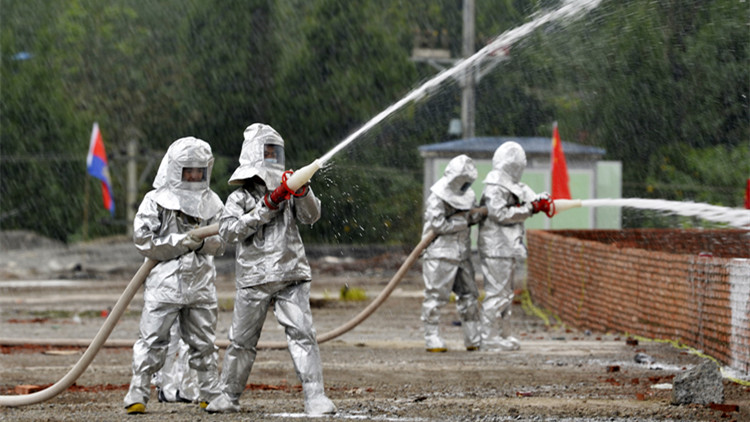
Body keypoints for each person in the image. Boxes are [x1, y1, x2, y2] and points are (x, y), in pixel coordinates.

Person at [206, 123, 336, 415]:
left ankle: (315, 396)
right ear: (254, 154)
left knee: (303, 334)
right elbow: (228, 232)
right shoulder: (239, 198)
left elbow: (311, 216)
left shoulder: (290, 189)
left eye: (274, 151)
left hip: (291, 274)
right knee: (241, 341)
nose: (271, 156)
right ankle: (228, 395)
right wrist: (266, 206)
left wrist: (302, 192)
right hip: (253, 279)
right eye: (266, 151)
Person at [124, 137, 225, 414]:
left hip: (201, 286)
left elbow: (224, 237)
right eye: (188, 170)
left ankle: (210, 393)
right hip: (164, 286)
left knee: (204, 343)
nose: (194, 176)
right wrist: (180, 242)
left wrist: (202, 242)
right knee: (152, 340)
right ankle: (138, 392)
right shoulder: (155, 201)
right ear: (174, 168)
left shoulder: (213, 202)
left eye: (199, 170)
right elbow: (143, 240)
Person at [477, 141, 550, 351]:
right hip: (496, 247)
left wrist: (541, 202)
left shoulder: (513, 185)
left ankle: (504, 334)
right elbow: (499, 213)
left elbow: (531, 199)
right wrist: (530, 209)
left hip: (507, 247)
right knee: (497, 293)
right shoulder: (495, 186)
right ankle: (488, 337)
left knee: (507, 295)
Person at [421, 154, 483, 353]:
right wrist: (464, 221)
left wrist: (474, 216)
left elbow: (470, 216)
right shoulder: (437, 197)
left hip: (462, 252)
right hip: (440, 253)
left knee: (469, 295)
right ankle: (432, 337)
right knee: (436, 297)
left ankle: (473, 338)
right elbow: (438, 225)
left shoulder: (469, 195)